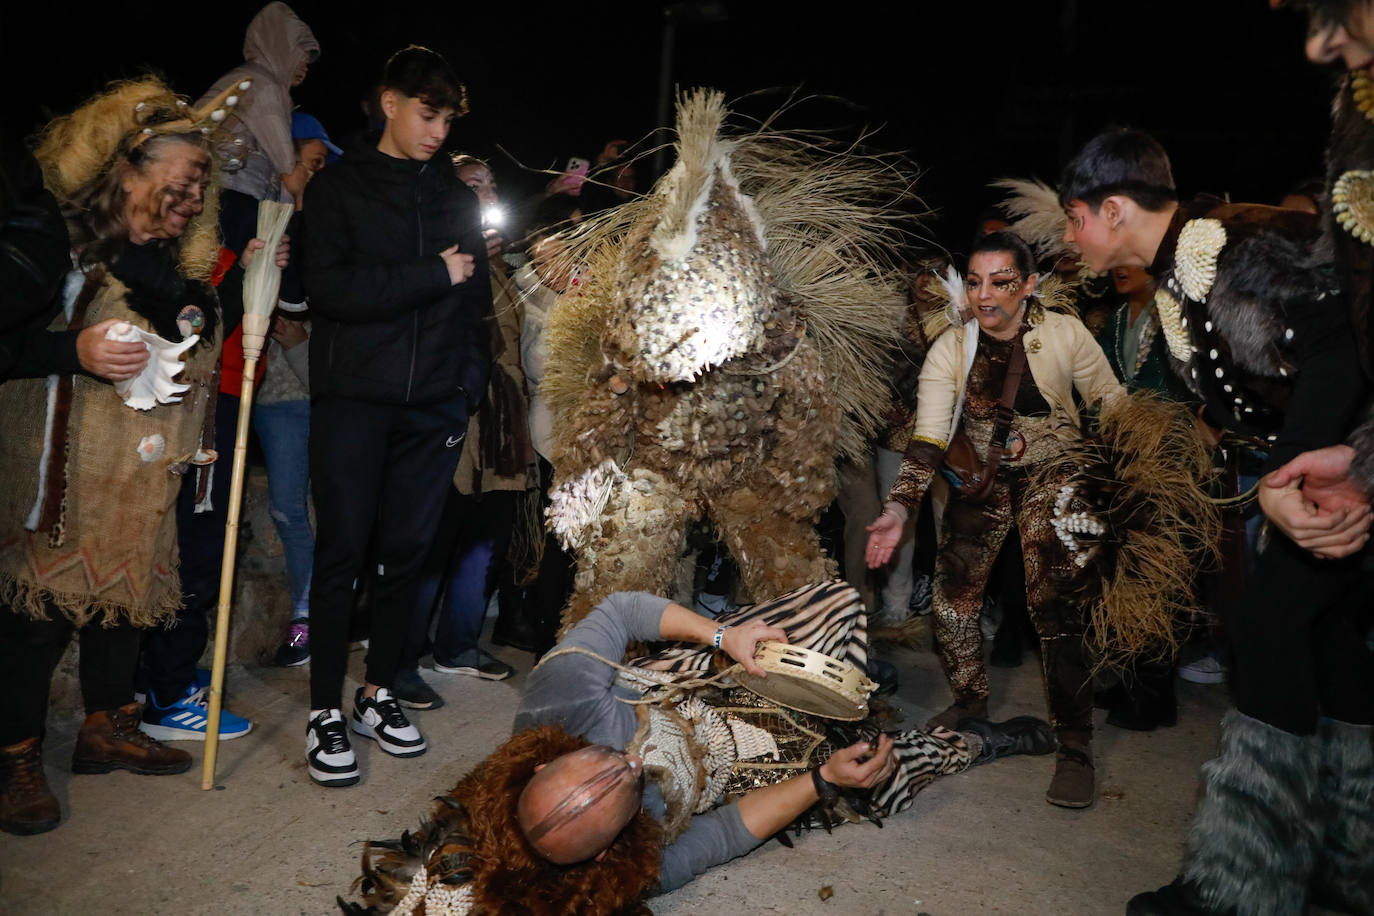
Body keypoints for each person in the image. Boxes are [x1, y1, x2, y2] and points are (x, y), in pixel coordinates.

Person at [1052, 125, 1373, 914]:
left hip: (1340, 472)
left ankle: (1240, 887)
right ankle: (1347, 861)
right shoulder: (1179, 273)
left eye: (1075, 219)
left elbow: (1335, 348)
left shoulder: (1234, 245)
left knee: (1265, 632)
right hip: (1325, 469)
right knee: (1328, 644)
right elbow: (1240, 390)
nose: (1068, 237)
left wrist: (1295, 473)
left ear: (1115, 208)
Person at [342, 580, 1054, 913]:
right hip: (761, 763)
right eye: (623, 790)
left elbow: (620, 610)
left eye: (600, 759)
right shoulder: (630, 872)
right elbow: (725, 833)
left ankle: (857, 673)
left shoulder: (552, 701)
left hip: (698, 684)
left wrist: (724, 639)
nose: (628, 763)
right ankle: (971, 743)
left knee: (836, 604)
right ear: (609, 849)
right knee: (886, 774)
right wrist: (824, 780)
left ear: (547, 759)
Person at [0, 78, 282, 835]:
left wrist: (213, 301)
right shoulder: (47, 242)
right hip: (53, 469)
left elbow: (190, 323)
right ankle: (15, 755)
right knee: (37, 613)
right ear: (126, 168)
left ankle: (106, 725)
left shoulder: (161, 261)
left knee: (124, 603)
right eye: (180, 184)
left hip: (136, 479)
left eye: (201, 189)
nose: (192, 201)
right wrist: (74, 349)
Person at [865, 230, 1124, 809]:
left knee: (1051, 603)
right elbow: (928, 439)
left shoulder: (1065, 334)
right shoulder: (950, 348)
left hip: (1055, 475)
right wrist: (897, 507)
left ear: (1029, 286)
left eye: (1002, 282)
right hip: (980, 483)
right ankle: (970, 703)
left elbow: (1112, 406)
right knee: (953, 605)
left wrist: (1122, 482)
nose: (986, 295)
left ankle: (1075, 744)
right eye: (976, 281)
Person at [301, 46, 491, 788]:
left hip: (433, 404)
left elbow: (476, 304)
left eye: (447, 117)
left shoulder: (454, 195)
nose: (438, 130)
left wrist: (462, 388)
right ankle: (323, 708)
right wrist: (430, 274)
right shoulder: (339, 187)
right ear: (388, 103)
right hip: (353, 399)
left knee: (407, 554)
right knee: (343, 550)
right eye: (426, 112)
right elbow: (331, 291)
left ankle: (378, 691)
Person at [393, 154, 537, 706]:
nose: (488, 192)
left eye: (492, 184)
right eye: (475, 184)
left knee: (484, 538)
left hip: (501, 418)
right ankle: (402, 657)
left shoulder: (502, 264)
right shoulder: (434, 250)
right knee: (433, 539)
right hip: (453, 414)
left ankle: (457, 645)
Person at [262, 112, 340, 669]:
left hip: (311, 392)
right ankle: (310, 620)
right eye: (309, 164)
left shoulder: (324, 231)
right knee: (289, 511)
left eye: (318, 167)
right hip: (269, 397)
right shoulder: (260, 220)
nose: (314, 176)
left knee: (323, 509)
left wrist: (296, 341)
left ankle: (312, 621)